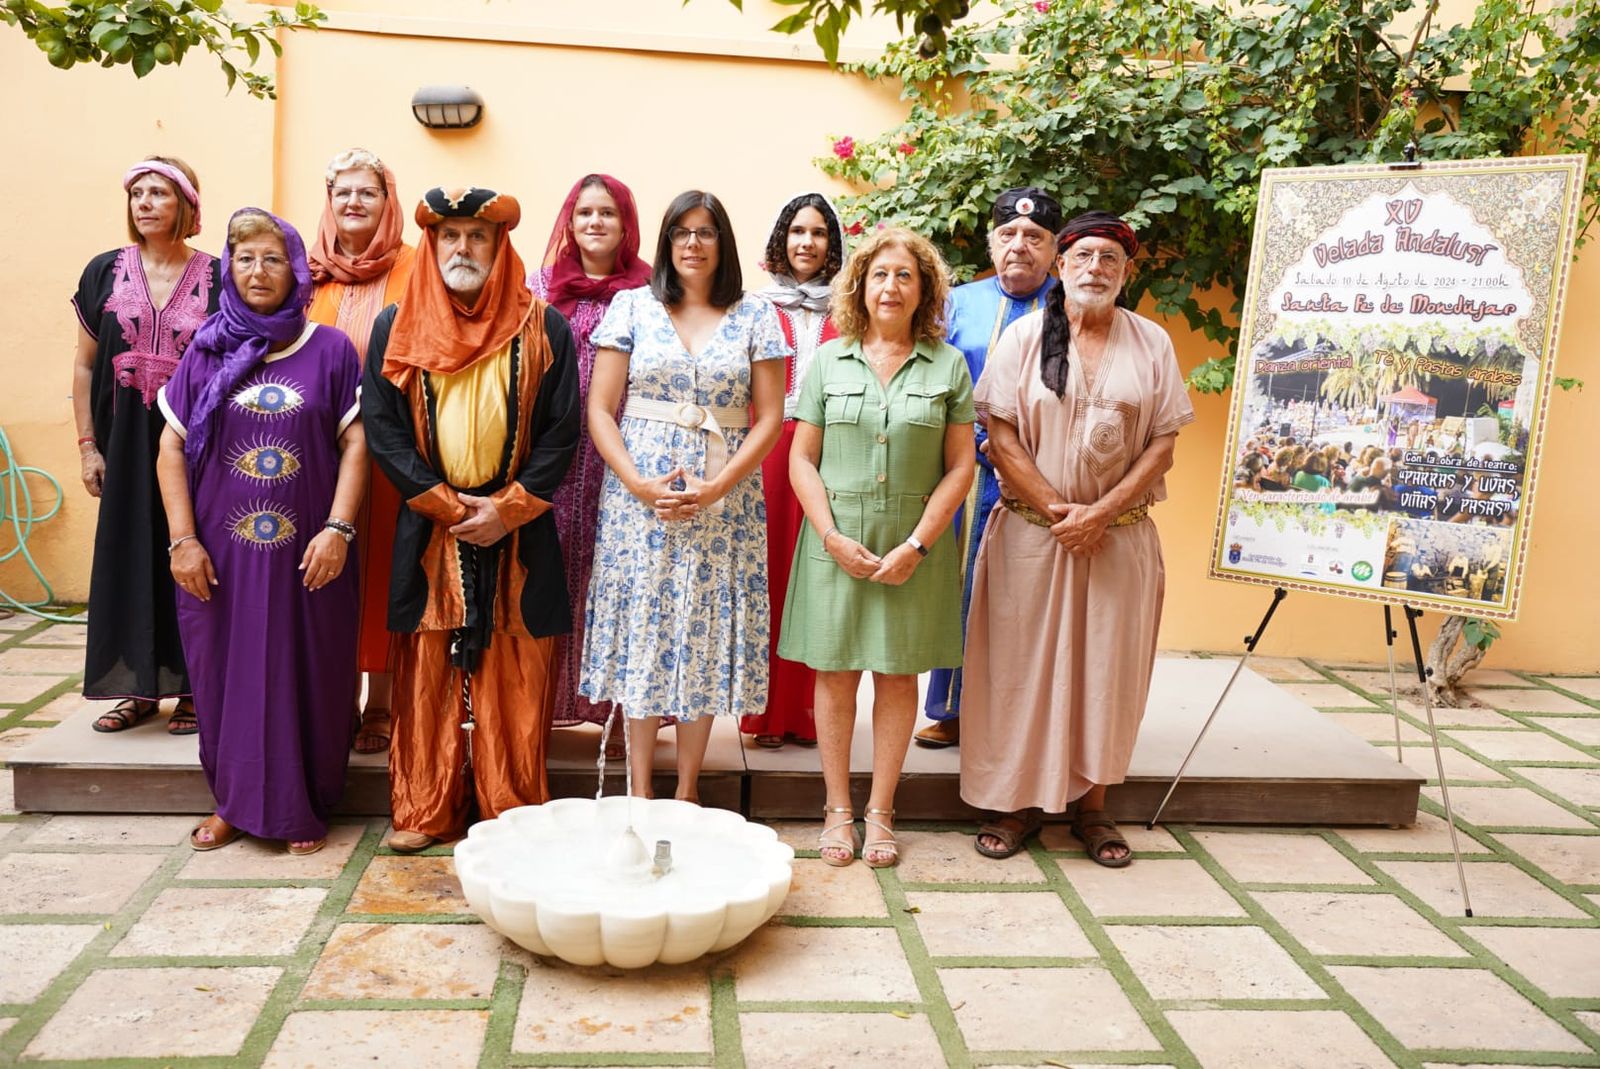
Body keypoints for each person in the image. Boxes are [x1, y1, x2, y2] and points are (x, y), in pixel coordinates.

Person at [960, 210, 1194, 867]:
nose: (1096, 269)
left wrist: (1101, 512)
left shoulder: (1152, 343)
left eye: (1110, 261)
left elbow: (1164, 445)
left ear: (1125, 274)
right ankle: (1015, 802)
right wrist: (1061, 510)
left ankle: (1094, 808)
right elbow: (1000, 434)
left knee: (1106, 672)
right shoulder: (1026, 339)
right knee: (1018, 669)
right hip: (1033, 537)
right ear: (1060, 267)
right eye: (1084, 257)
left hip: (1117, 539)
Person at [361, 187, 580, 853]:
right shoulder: (396, 326)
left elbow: (562, 434)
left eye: (477, 236)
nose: (463, 248)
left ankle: (511, 810)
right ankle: (424, 809)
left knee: (516, 672)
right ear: (432, 244)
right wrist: (451, 507)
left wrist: (506, 509)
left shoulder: (544, 327)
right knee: (426, 672)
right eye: (450, 235)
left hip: (518, 530)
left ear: (499, 244)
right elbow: (384, 428)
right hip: (433, 528)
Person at [156, 208, 365, 855]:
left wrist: (338, 529)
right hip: (221, 558)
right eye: (244, 258)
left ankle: (301, 803)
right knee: (225, 677)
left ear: (296, 268)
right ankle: (232, 803)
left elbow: (358, 444)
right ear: (229, 268)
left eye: (273, 258)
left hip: (311, 556)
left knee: (310, 673)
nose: (258, 271)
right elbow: (170, 447)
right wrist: (182, 540)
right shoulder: (206, 348)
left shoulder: (330, 349)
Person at [581, 190, 787, 802]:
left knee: (704, 625)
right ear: (666, 242)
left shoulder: (756, 316)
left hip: (724, 501)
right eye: (681, 233)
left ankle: (689, 789)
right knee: (648, 625)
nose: (693, 244)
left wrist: (721, 485)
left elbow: (770, 416)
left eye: (706, 232)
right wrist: (638, 485)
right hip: (639, 500)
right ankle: (640, 789)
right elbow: (600, 408)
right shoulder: (632, 307)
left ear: (723, 243)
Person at [779, 227, 975, 869]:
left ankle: (882, 812)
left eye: (905, 276)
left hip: (913, 549)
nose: (891, 286)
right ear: (860, 285)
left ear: (924, 291)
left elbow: (960, 468)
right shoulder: (828, 360)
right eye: (880, 275)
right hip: (835, 544)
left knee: (897, 675)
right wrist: (830, 536)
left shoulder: (947, 365)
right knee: (834, 675)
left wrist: (918, 544)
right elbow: (801, 459)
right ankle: (837, 809)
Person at [72, 156, 221, 736]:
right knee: (128, 557)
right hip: (125, 446)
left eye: (159, 192)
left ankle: (192, 688)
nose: (145, 203)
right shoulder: (104, 271)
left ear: (185, 204)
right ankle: (135, 687)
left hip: (196, 446)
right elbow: (85, 368)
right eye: (137, 193)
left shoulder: (220, 273)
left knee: (192, 557)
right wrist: (89, 445)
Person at [916, 187, 1062, 749]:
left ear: (1053, 249)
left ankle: (1016, 713)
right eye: (1008, 235)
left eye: (1034, 237)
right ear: (991, 242)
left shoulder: (1070, 305)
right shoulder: (956, 303)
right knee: (959, 585)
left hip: (1041, 469)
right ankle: (950, 709)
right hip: (963, 469)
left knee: (1024, 591)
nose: (1019, 246)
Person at [527, 175, 651, 750]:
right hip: (552, 456)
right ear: (569, 224)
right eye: (584, 214)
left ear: (627, 225)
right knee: (553, 572)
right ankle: (542, 703)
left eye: (608, 213)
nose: (595, 223)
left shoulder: (653, 292)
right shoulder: (537, 287)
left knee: (619, 577)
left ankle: (622, 710)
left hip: (625, 456)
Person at [305, 147, 417, 755]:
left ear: (386, 200)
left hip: (394, 444)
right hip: (317, 448)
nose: (354, 203)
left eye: (366, 193)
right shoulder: (306, 274)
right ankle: (334, 696)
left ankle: (381, 703)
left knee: (384, 566)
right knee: (329, 567)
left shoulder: (415, 267)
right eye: (343, 192)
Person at [740, 192, 845, 750]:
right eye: (797, 231)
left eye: (819, 232)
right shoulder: (755, 306)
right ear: (781, 239)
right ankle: (763, 714)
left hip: (828, 451)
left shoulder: (849, 309)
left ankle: (806, 713)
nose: (807, 242)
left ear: (832, 243)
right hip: (764, 449)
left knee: (818, 580)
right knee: (771, 577)